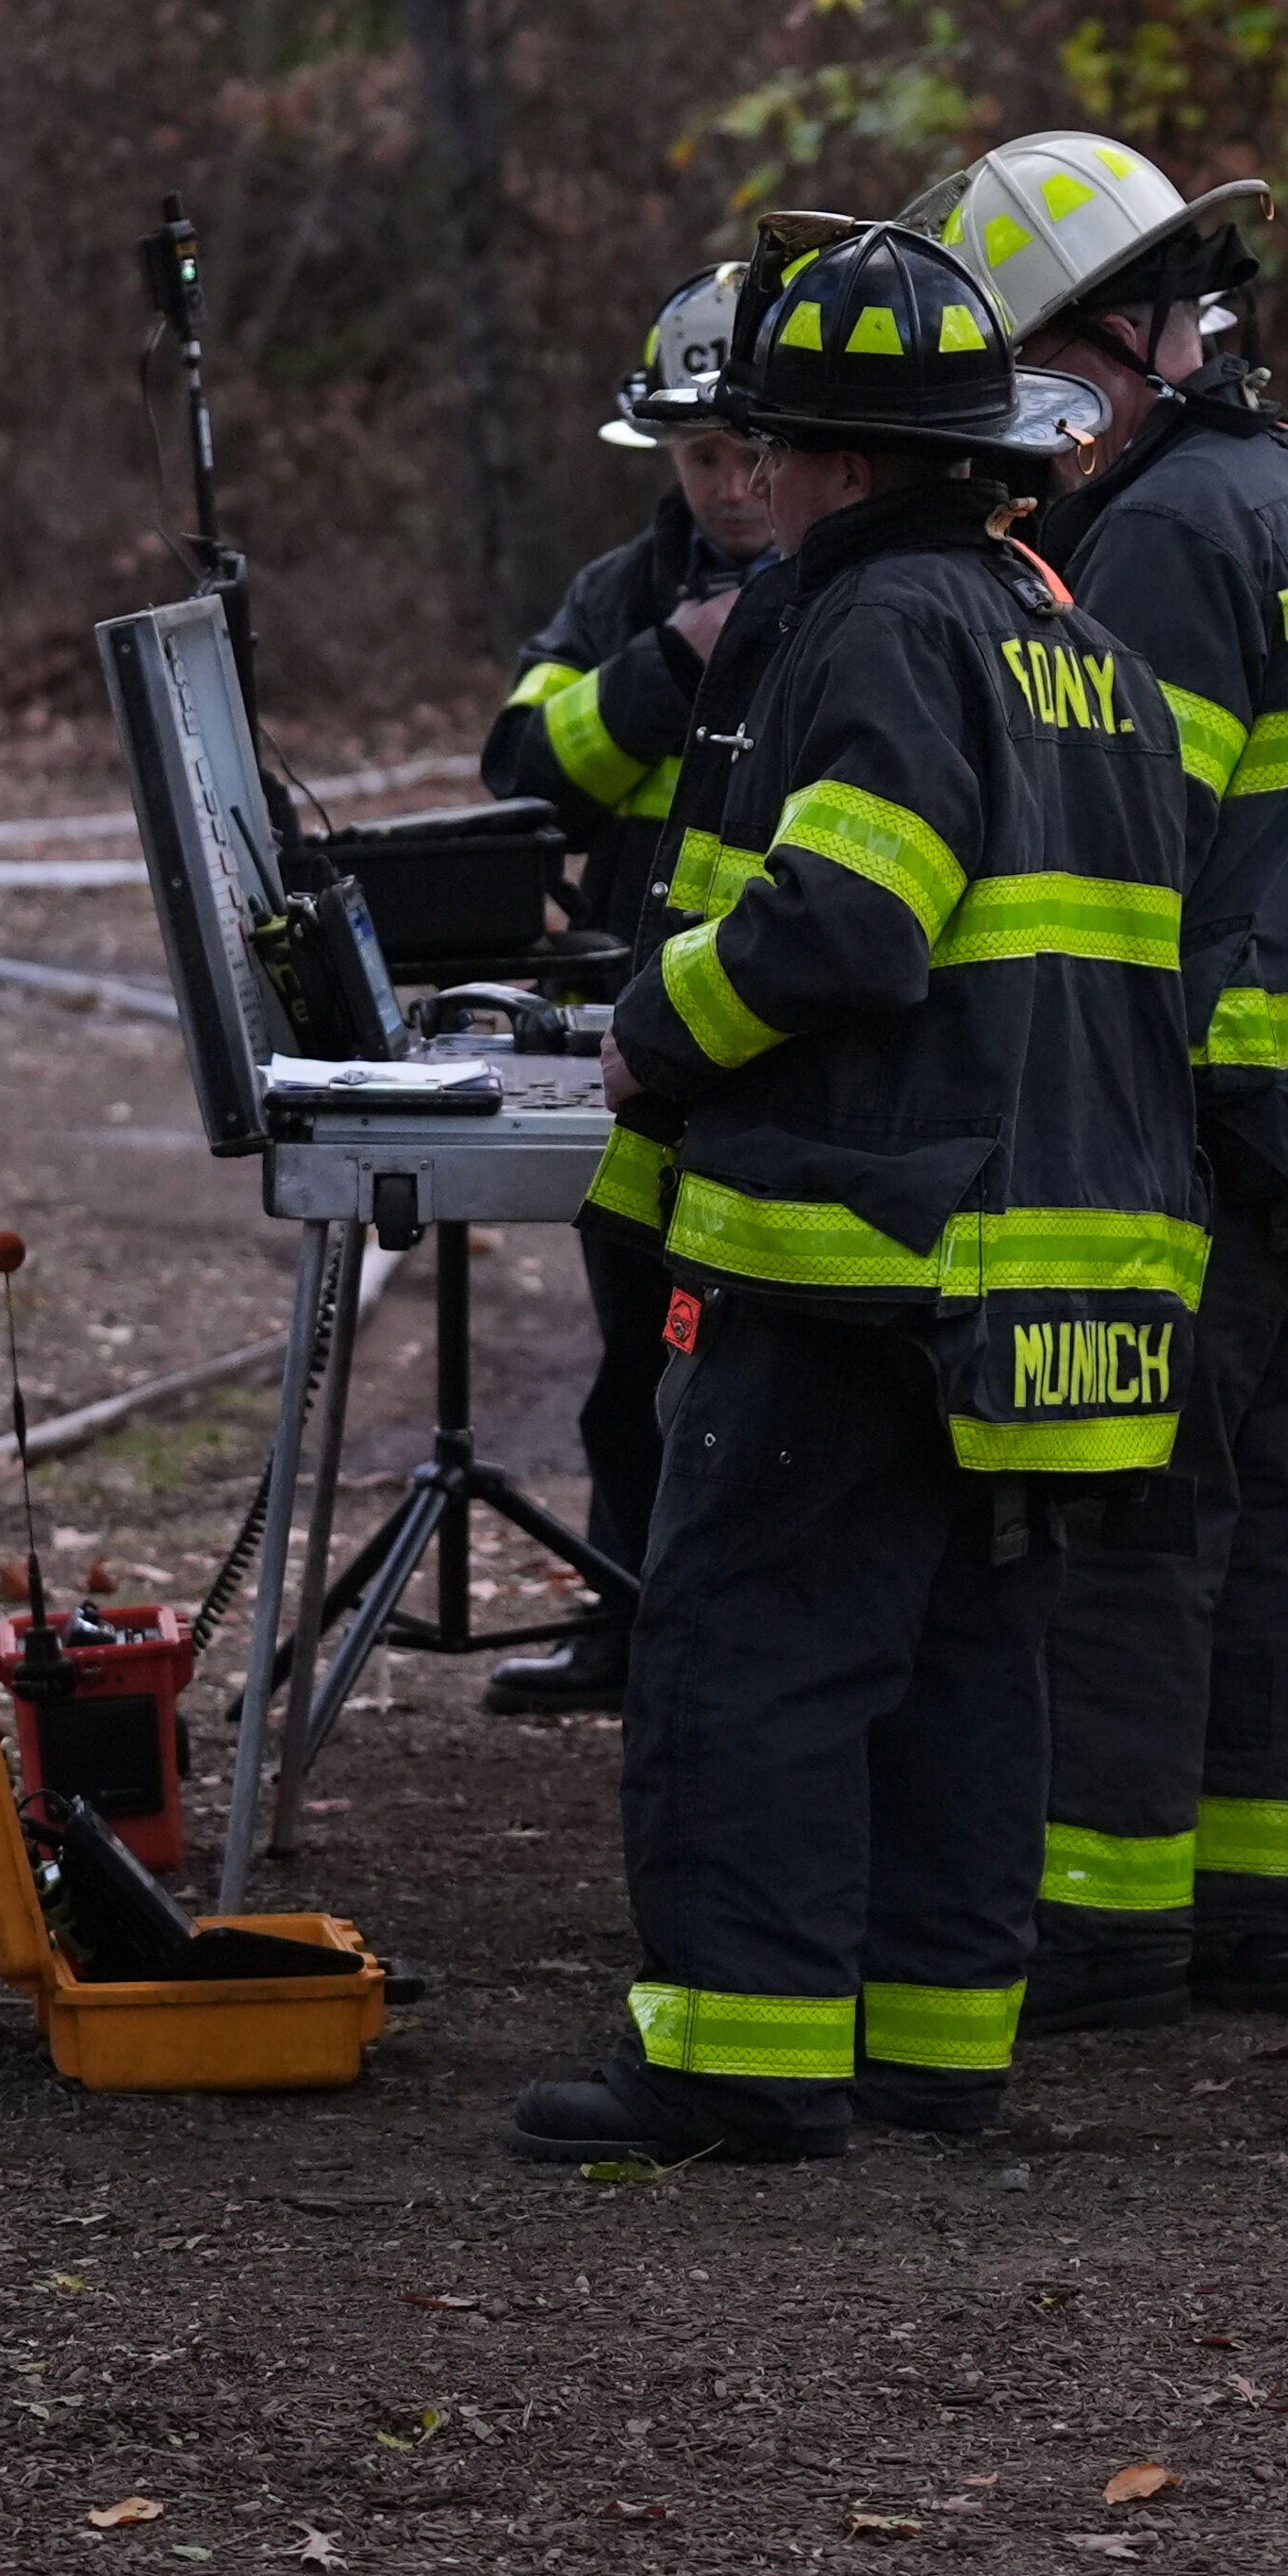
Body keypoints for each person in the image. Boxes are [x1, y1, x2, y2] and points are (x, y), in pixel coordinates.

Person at [514, 226, 1209, 2162]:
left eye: (773, 445)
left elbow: (851, 916)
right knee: (961, 1660)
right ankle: (926, 2040)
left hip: (863, 1247)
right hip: (1043, 1252)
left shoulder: (876, 623)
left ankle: (740, 2059)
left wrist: (656, 1021)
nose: (756, 481)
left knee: (756, 1643)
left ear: (822, 456)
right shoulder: (1064, 632)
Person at [926, 128, 1288, 2028]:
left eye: (1030, 360)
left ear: (1127, 337)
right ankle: (1260, 1918)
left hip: (1208, 1106)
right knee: (1282, 1518)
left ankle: (1104, 1929)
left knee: (1144, 1528)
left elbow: (1121, 838)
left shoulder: (1158, 533)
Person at [471, 264, 775, 1719]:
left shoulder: (877, 590)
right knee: (632, 1348)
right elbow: (521, 773)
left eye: (748, 451)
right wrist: (668, 663)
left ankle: (732, 1641)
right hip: (634, 1029)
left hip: (780, 1030)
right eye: (700, 454)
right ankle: (624, 1617)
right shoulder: (625, 595)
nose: (726, 484)